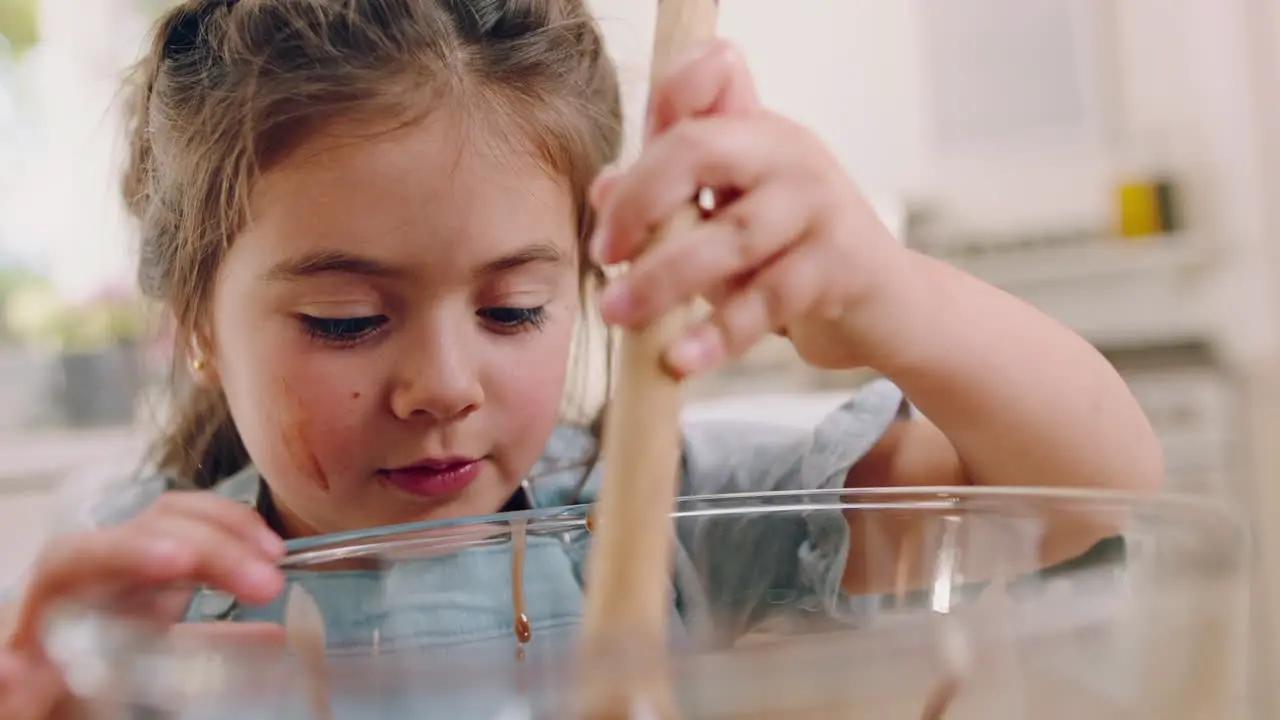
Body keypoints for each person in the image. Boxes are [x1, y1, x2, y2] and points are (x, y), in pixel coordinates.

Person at [0, 0, 1162, 716]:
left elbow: (1089, 493)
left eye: (512, 309)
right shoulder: (138, 593)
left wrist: (886, 294)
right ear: (195, 324)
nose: (444, 385)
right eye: (348, 320)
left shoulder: (659, 521)